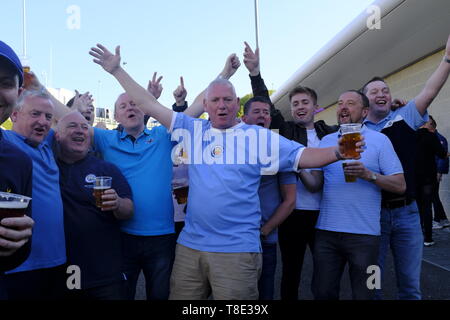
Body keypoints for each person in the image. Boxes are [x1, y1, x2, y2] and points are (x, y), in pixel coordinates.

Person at [89, 43, 365, 300]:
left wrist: (338, 152)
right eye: (215, 100)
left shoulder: (258, 136)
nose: (221, 105)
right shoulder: (192, 130)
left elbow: (303, 155)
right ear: (205, 107)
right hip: (190, 248)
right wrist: (116, 70)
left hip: (236, 252)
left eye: (227, 99)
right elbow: (148, 104)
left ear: (236, 104)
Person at [243, 41, 337, 300]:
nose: (299, 107)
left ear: (315, 106)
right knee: (291, 272)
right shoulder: (285, 131)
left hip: (325, 215)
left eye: (305, 102)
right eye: (295, 104)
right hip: (293, 214)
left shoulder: (329, 132)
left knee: (325, 272)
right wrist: (255, 74)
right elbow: (266, 108)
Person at [361, 34, 450, 300]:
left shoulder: (405, 118)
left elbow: (429, 91)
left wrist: (446, 59)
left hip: (407, 215)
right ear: (365, 102)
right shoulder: (355, 133)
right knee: (371, 285)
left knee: (410, 286)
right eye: (374, 91)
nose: (381, 94)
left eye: (385, 90)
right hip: (372, 216)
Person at [304, 90, 405, 300]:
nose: (343, 107)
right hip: (326, 234)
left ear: (365, 111)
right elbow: (315, 184)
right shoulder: (327, 141)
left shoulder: (380, 141)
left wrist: (369, 175)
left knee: (368, 292)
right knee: (322, 293)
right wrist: (296, 165)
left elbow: (400, 185)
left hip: (366, 237)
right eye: (340, 103)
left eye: (350, 103)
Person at [54, 111, 133, 299]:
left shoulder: (106, 168)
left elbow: (129, 209)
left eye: (84, 127)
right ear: (56, 135)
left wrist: (118, 203)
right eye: (72, 126)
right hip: (61, 270)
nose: (80, 131)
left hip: (105, 273)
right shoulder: (47, 165)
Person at [3, 89, 67, 300]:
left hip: (57, 261)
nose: (43, 121)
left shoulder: (47, 143)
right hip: (19, 266)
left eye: (48, 116)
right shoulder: (6, 141)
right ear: (14, 115)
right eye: (35, 114)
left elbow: (67, 121)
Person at [241, 95, 297, 300]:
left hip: (264, 239)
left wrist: (265, 231)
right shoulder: (231, 148)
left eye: (266, 112)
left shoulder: (279, 149)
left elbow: (290, 200)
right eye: (256, 112)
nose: (262, 116)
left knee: (264, 294)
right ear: (244, 119)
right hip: (234, 239)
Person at [0, 40, 34, 300]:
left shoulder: (19, 160)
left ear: (18, 92)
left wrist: (16, 242)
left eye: (5, 83)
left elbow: (19, 252)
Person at [415, 117, 447, 246]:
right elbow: (441, 154)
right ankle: (428, 238)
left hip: (414, 176)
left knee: (416, 207)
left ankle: (417, 235)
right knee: (427, 206)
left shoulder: (411, 135)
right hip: (428, 176)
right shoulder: (431, 137)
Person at [428, 116, 450, 229]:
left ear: (433, 125)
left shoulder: (439, 139)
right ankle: (443, 219)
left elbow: (443, 157)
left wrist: (439, 172)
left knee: (433, 196)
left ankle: (437, 220)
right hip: (431, 172)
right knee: (434, 195)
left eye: (428, 123)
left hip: (434, 172)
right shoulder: (431, 138)